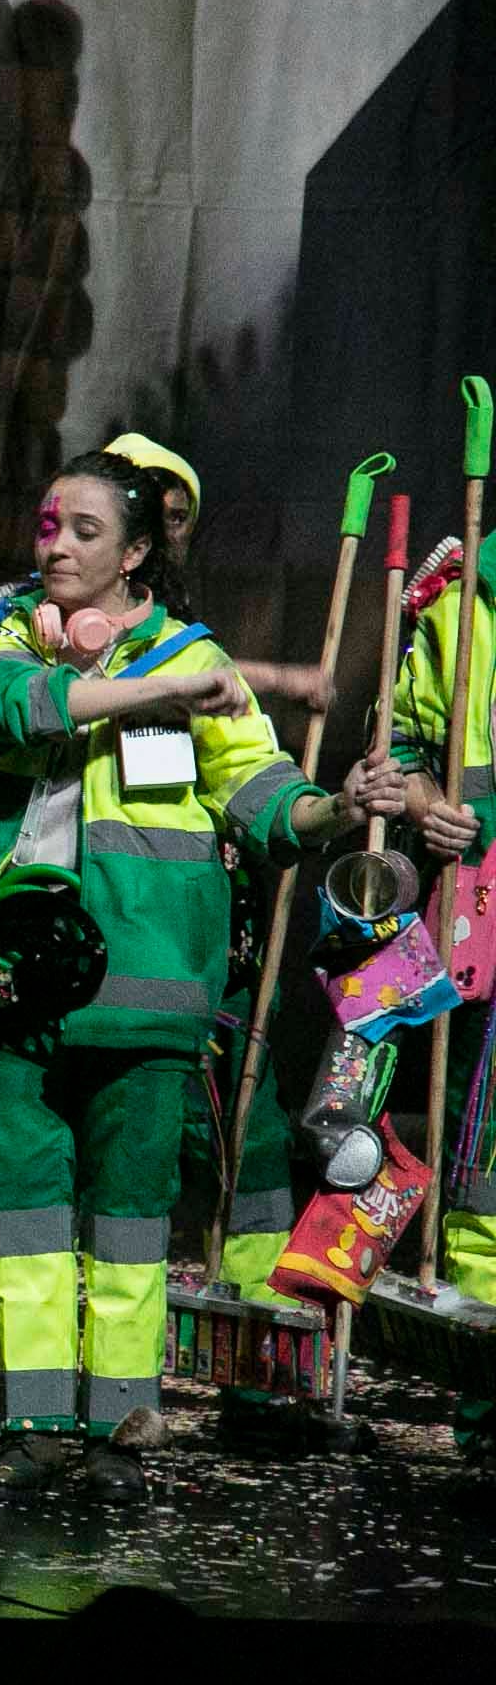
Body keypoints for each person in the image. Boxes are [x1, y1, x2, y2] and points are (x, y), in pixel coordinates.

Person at [0, 447, 400, 1505]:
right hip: (16, 986)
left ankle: (120, 1435)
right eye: (49, 524)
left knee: (135, 1228)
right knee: (29, 1227)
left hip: (146, 994)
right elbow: (21, 707)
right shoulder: (0, 638)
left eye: (83, 531)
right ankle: (34, 1426)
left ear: (138, 552)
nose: (55, 545)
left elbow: (268, 803)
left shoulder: (203, 665)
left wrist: (342, 803)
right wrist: (157, 688)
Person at [386, 534, 496, 1491]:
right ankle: (490, 1407)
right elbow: (405, 756)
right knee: (489, 1180)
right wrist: (427, 806)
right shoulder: (460, 612)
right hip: (491, 929)